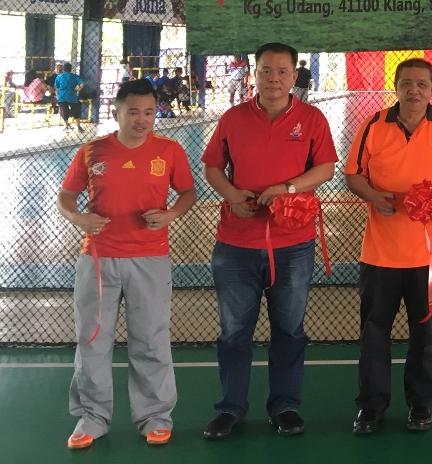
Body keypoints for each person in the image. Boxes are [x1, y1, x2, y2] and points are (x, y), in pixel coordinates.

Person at [201, 43, 337, 440]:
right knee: (233, 331)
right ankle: (230, 407)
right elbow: (212, 167)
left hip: (293, 244)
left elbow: (326, 168)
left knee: (289, 330)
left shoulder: (311, 119)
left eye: (281, 71)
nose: (273, 79)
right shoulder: (233, 118)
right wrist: (231, 194)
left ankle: (285, 406)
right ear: (254, 74)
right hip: (236, 244)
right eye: (265, 70)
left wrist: (288, 188)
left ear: (294, 76)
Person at [57, 78, 196, 449]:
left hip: (150, 258)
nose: (142, 120)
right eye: (133, 112)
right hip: (98, 259)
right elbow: (66, 195)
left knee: (151, 339)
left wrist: (170, 215)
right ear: (115, 112)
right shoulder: (92, 151)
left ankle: (155, 417)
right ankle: (92, 417)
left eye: (149, 112)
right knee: (92, 339)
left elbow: (187, 192)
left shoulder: (169, 151)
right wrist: (78, 218)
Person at [343, 57, 432, 435]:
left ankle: (420, 403)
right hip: (380, 255)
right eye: (407, 83)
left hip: (431, 257)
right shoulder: (373, 125)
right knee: (374, 333)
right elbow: (353, 175)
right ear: (396, 87)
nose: (414, 90)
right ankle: (371, 406)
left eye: (422, 84)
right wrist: (373, 195)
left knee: (426, 334)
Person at [54, 62, 85, 128]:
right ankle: (78, 126)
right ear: (71, 69)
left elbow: (57, 88)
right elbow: (82, 84)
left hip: (62, 97)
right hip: (72, 96)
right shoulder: (75, 76)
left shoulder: (59, 77)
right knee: (76, 111)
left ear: (63, 69)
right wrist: (78, 89)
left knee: (64, 111)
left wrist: (57, 96)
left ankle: (66, 125)